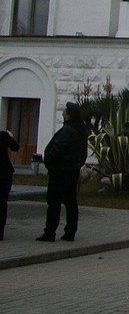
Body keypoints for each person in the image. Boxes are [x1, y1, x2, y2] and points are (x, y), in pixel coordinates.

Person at [37, 102, 89, 243]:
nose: (62, 114)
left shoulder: (67, 131)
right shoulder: (81, 131)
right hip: (72, 171)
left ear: (69, 115)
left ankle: (50, 232)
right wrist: (77, 165)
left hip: (60, 172)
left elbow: (57, 150)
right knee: (71, 202)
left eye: (64, 112)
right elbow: (83, 154)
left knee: (54, 203)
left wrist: (50, 161)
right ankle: (70, 232)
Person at [1, 127, 17, 240]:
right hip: (4, 173)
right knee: (2, 203)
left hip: (4, 173)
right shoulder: (3, 136)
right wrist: (10, 137)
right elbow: (15, 147)